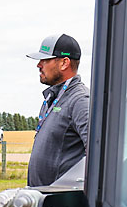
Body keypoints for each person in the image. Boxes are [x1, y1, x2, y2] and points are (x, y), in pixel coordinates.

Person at [26, 33, 91, 187]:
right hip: (43, 199)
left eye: (45, 60)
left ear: (64, 63)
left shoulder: (80, 100)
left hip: (61, 203)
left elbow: (98, 156)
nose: (39, 65)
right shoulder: (52, 98)